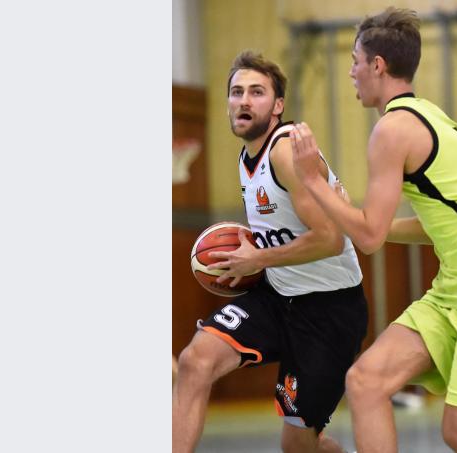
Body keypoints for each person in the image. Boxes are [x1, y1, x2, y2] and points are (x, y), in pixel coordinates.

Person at [172, 50, 368, 453]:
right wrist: (252, 250)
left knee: (299, 447)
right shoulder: (247, 156)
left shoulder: (285, 152)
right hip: (278, 296)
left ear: (278, 106)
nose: (243, 100)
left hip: (328, 311)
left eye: (257, 92)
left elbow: (330, 238)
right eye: (236, 91)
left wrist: (256, 259)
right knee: (195, 362)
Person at [290, 7, 457, 453]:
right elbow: (431, 227)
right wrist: (365, 223)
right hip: (454, 290)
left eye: (354, 61)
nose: (351, 72)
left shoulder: (392, 129)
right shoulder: (429, 115)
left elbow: (366, 237)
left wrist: (313, 182)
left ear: (378, 66)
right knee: (366, 381)